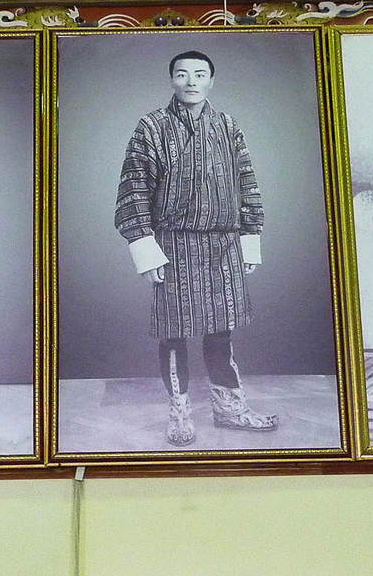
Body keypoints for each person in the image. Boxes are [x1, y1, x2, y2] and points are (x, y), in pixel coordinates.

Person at [115, 50, 276, 447]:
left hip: (223, 243)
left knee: (221, 331)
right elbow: (134, 187)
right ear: (171, 79)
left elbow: (247, 181)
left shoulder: (227, 125)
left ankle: (230, 410)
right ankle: (180, 414)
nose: (191, 81)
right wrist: (145, 247)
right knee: (174, 333)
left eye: (199, 74)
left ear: (211, 80)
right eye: (183, 74)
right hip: (173, 244)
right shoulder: (151, 127)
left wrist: (249, 237)